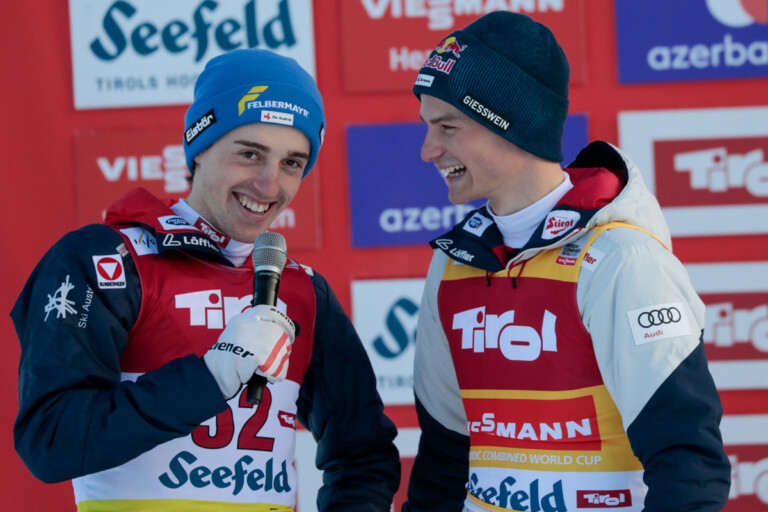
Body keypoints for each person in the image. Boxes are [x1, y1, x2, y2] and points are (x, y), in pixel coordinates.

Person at [12, 48, 400, 511]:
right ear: (199, 147)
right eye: (250, 154)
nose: (269, 185)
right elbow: (50, 442)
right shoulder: (109, 261)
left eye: (292, 163)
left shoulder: (303, 293)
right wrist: (209, 380)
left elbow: (364, 457)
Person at [403, 11, 730, 512]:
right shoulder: (453, 265)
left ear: (510, 125)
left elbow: (688, 462)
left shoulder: (621, 258)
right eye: (428, 126)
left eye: (448, 126)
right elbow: (445, 458)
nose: (428, 150)